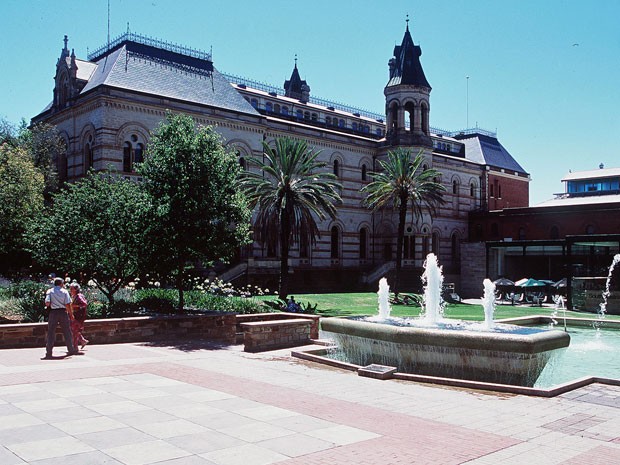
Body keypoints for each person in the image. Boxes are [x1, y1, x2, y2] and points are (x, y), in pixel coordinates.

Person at [44, 277, 78, 358]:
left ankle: (49, 352)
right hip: (63, 312)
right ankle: (71, 349)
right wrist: (71, 314)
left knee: (51, 332)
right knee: (67, 331)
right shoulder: (64, 292)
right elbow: (67, 304)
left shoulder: (50, 291)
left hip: (53, 312)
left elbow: (47, 303)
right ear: (61, 283)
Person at [69, 283, 89, 350]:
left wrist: (74, 306)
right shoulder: (75, 296)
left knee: (75, 331)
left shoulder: (79, 296)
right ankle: (82, 341)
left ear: (75, 289)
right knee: (74, 330)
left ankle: (75, 347)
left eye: (71, 288)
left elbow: (84, 304)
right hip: (76, 315)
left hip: (78, 316)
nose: (70, 290)